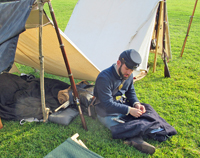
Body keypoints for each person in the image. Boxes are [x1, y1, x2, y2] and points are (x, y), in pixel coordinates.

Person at [93, 49, 156, 154]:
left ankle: (140, 131)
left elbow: (130, 91)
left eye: (131, 70)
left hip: (120, 104)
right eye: (127, 69)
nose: (129, 73)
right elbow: (107, 104)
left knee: (147, 108)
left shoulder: (128, 74)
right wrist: (129, 110)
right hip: (105, 111)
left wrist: (136, 104)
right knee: (118, 123)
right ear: (119, 63)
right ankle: (136, 138)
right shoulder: (104, 77)